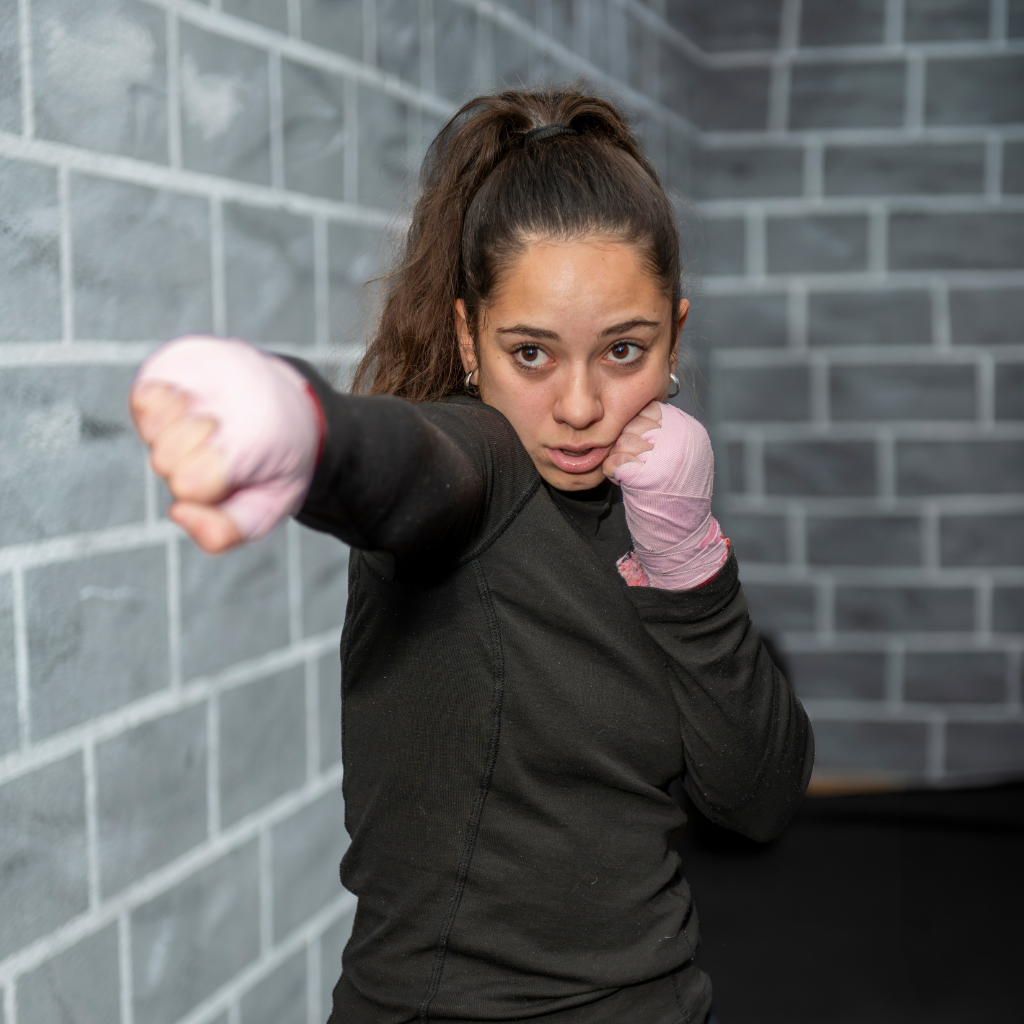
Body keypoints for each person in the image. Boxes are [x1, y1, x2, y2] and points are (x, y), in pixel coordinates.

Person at [130, 88, 813, 1024]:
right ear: (467, 340)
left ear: (675, 341)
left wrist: (690, 563)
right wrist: (297, 421)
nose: (579, 406)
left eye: (623, 350)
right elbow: (406, 461)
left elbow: (759, 798)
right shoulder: (481, 471)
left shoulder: (651, 502)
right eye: (531, 354)